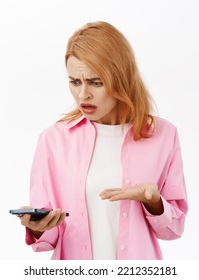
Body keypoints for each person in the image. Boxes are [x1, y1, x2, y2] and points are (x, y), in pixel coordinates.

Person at [17, 21, 188, 260]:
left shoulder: (163, 135)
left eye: (96, 82)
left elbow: (173, 229)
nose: (83, 94)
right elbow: (49, 239)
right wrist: (37, 226)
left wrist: (154, 202)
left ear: (121, 79)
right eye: (75, 82)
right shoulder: (53, 140)